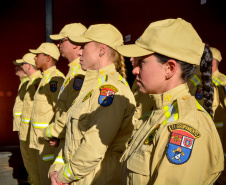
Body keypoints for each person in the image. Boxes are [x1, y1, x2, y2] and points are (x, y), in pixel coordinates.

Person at [116, 18, 224, 185]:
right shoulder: (158, 111)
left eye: (142, 62)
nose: (135, 69)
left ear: (169, 68)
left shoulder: (186, 126)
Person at [49, 24, 136, 185]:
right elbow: (72, 137)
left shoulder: (111, 90)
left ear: (101, 50)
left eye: (84, 46)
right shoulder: (91, 87)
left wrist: (62, 176)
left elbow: (92, 148)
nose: (79, 51)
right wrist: (57, 165)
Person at [42, 23, 87, 173]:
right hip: (65, 139)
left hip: (72, 144)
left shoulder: (80, 72)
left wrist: (51, 133)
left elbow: (72, 112)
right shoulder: (73, 70)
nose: (58, 44)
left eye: (62, 41)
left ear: (75, 44)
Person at [189, 47, 226, 185]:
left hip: (220, 133)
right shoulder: (195, 79)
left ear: (213, 61)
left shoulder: (223, 81)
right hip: (199, 130)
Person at [29, 42, 65, 185]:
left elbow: (60, 110)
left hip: (48, 142)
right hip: (40, 140)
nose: (35, 58)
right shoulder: (45, 78)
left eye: (37, 55)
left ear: (48, 58)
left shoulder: (55, 79)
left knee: (47, 179)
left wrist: (57, 136)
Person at [16, 53, 42, 184]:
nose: (19, 67)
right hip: (26, 130)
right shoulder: (30, 82)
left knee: (36, 165)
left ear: (29, 66)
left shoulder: (38, 82)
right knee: (30, 164)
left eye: (22, 64)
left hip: (34, 132)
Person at [12, 59, 29, 132]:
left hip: (27, 126)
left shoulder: (30, 82)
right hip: (22, 126)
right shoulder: (23, 82)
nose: (15, 68)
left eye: (18, 66)